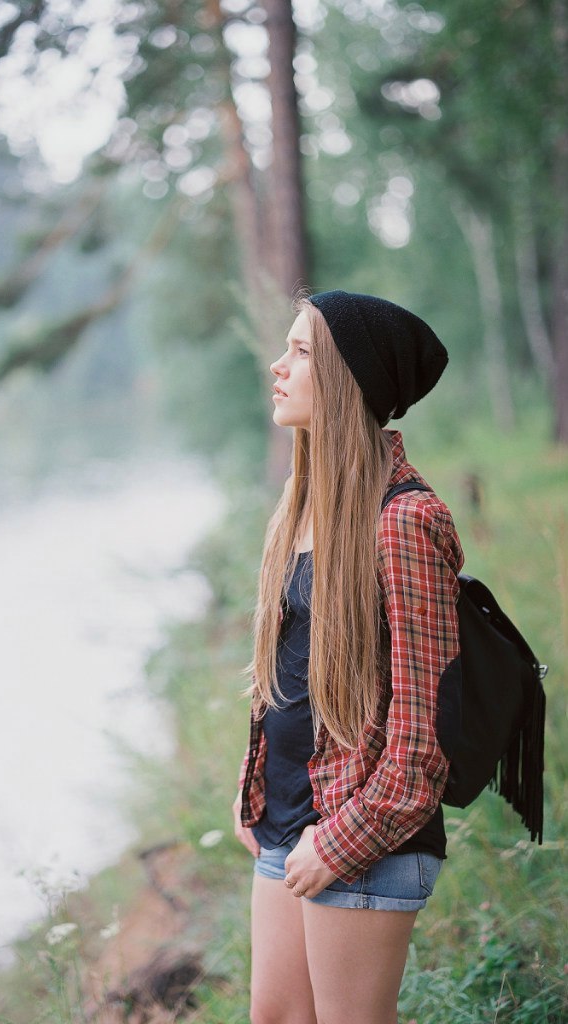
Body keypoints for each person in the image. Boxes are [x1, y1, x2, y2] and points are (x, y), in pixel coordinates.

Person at [232, 289, 465, 1024]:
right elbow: (285, 676)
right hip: (288, 820)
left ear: (346, 380)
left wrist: (340, 843)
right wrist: (254, 787)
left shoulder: (403, 522)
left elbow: (425, 743)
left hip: (363, 833)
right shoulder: (300, 507)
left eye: (301, 352)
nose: (278, 366)